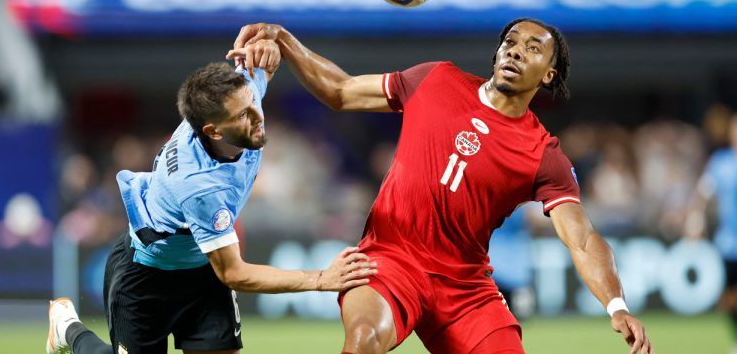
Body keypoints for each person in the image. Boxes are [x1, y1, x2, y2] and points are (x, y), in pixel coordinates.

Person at [228, 18, 654, 354]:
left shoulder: (544, 155)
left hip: (465, 287)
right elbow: (340, 90)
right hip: (387, 261)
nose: (515, 52)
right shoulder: (434, 80)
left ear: (548, 74)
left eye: (532, 48)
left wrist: (616, 305)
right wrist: (283, 38)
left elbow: (581, 239)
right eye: (510, 42)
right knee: (362, 341)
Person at [46, 39, 378, 354]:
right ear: (213, 132)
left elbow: (261, 62)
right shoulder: (200, 185)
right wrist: (322, 279)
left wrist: (268, 45)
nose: (258, 118)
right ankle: (68, 330)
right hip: (147, 275)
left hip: (202, 265)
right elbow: (234, 274)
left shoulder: (240, 99)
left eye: (253, 104)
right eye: (243, 116)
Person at [685, 112, 737, 354]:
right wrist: (695, 220)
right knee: (728, 298)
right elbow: (703, 194)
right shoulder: (721, 162)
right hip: (729, 242)